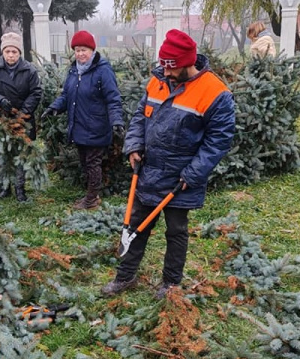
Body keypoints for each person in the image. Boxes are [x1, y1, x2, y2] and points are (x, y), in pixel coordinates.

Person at [100, 29, 235, 299]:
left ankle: (170, 284)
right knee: (136, 225)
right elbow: (141, 114)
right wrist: (134, 145)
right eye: (164, 67)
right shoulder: (159, 79)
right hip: (149, 170)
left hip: (181, 177)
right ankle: (125, 277)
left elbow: (219, 140)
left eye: (172, 69)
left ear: (188, 63)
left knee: (176, 231)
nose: (167, 74)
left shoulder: (215, 92)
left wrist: (193, 173)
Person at [41, 30, 125, 210]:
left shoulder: (103, 70)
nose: (80, 54)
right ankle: (91, 193)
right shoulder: (73, 71)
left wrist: (117, 121)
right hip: (78, 126)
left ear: (92, 50)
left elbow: (113, 98)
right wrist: (54, 107)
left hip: (96, 126)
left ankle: (92, 199)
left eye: (84, 50)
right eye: (77, 50)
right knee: (85, 162)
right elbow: (66, 95)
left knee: (93, 163)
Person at [0, 32, 42, 202]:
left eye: (14, 51)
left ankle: (20, 188)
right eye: (7, 51)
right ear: (3, 52)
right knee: (2, 153)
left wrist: (23, 113)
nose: (11, 55)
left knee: (20, 153)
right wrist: (0, 101)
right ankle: (4, 186)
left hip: (23, 118)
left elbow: (36, 92)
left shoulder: (29, 69)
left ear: (19, 52)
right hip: (0, 117)